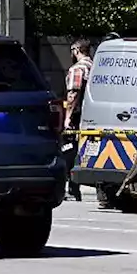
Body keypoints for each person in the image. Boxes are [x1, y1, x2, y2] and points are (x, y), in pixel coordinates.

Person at [63, 38, 94, 201]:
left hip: (77, 115)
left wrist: (67, 117)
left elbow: (73, 94)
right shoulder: (95, 67)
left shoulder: (78, 69)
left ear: (76, 50)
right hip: (92, 115)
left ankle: (72, 188)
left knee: (70, 150)